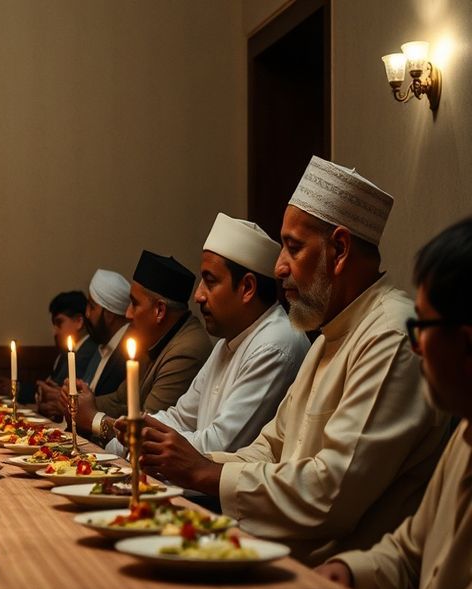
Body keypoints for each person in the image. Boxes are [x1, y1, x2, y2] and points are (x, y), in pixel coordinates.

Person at [140, 156, 449, 565]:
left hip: (335, 581)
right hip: (279, 555)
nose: (279, 267)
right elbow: (269, 448)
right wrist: (179, 460)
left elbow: (332, 493)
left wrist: (203, 473)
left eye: (293, 247)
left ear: (339, 249)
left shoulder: (390, 334)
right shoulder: (327, 335)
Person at [315, 217, 472, 589]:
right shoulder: (465, 435)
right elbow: (409, 551)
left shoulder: (386, 332)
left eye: (422, 327)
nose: (417, 348)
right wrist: (350, 571)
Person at [95, 213, 309, 458]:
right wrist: (128, 433)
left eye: (210, 281)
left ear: (247, 288)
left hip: (215, 495)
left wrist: (138, 439)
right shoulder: (226, 343)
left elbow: (218, 447)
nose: (198, 296)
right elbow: (180, 417)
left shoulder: (275, 344)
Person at [73, 251, 213, 438]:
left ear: (160, 310)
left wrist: (94, 419)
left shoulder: (187, 350)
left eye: (134, 304)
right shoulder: (152, 337)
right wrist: (78, 402)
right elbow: (120, 400)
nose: (128, 314)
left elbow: (148, 430)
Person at [31, 291, 98, 414]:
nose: (55, 332)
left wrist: (48, 394)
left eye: (59, 323)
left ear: (79, 321)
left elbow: (57, 391)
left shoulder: (87, 352)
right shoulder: (66, 352)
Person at [81, 268, 132, 398]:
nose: (87, 314)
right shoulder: (102, 345)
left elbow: (119, 406)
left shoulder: (127, 355)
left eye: (92, 307)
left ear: (109, 314)